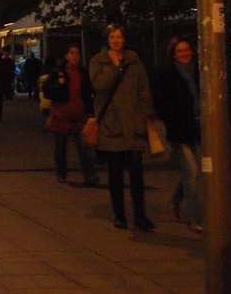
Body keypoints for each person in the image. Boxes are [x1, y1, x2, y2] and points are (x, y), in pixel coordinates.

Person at [89, 23, 156, 231]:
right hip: (112, 126)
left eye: (119, 37)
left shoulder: (134, 62)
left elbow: (144, 90)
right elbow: (99, 84)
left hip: (133, 125)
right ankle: (120, 215)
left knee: (136, 174)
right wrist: (115, 67)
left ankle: (140, 215)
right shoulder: (98, 61)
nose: (116, 41)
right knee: (115, 173)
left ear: (124, 39)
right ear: (107, 40)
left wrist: (144, 113)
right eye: (112, 37)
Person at [151, 37, 202, 233]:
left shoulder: (199, 71)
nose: (184, 54)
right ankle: (195, 217)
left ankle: (175, 202)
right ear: (173, 55)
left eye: (187, 49)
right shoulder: (168, 75)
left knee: (193, 172)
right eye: (180, 51)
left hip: (198, 128)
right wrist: (170, 119)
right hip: (179, 130)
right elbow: (160, 102)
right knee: (192, 172)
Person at [42, 44, 98, 185]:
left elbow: (87, 92)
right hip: (62, 114)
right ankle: (61, 172)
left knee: (84, 146)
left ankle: (90, 175)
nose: (75, 56)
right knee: (61, 146)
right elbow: (47, 90)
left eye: (77, 53)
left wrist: (89, 108)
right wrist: (59, 85)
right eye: (72, 53)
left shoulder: (83, 72)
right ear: (67, 55)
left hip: (79, 114)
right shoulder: (59, 72)